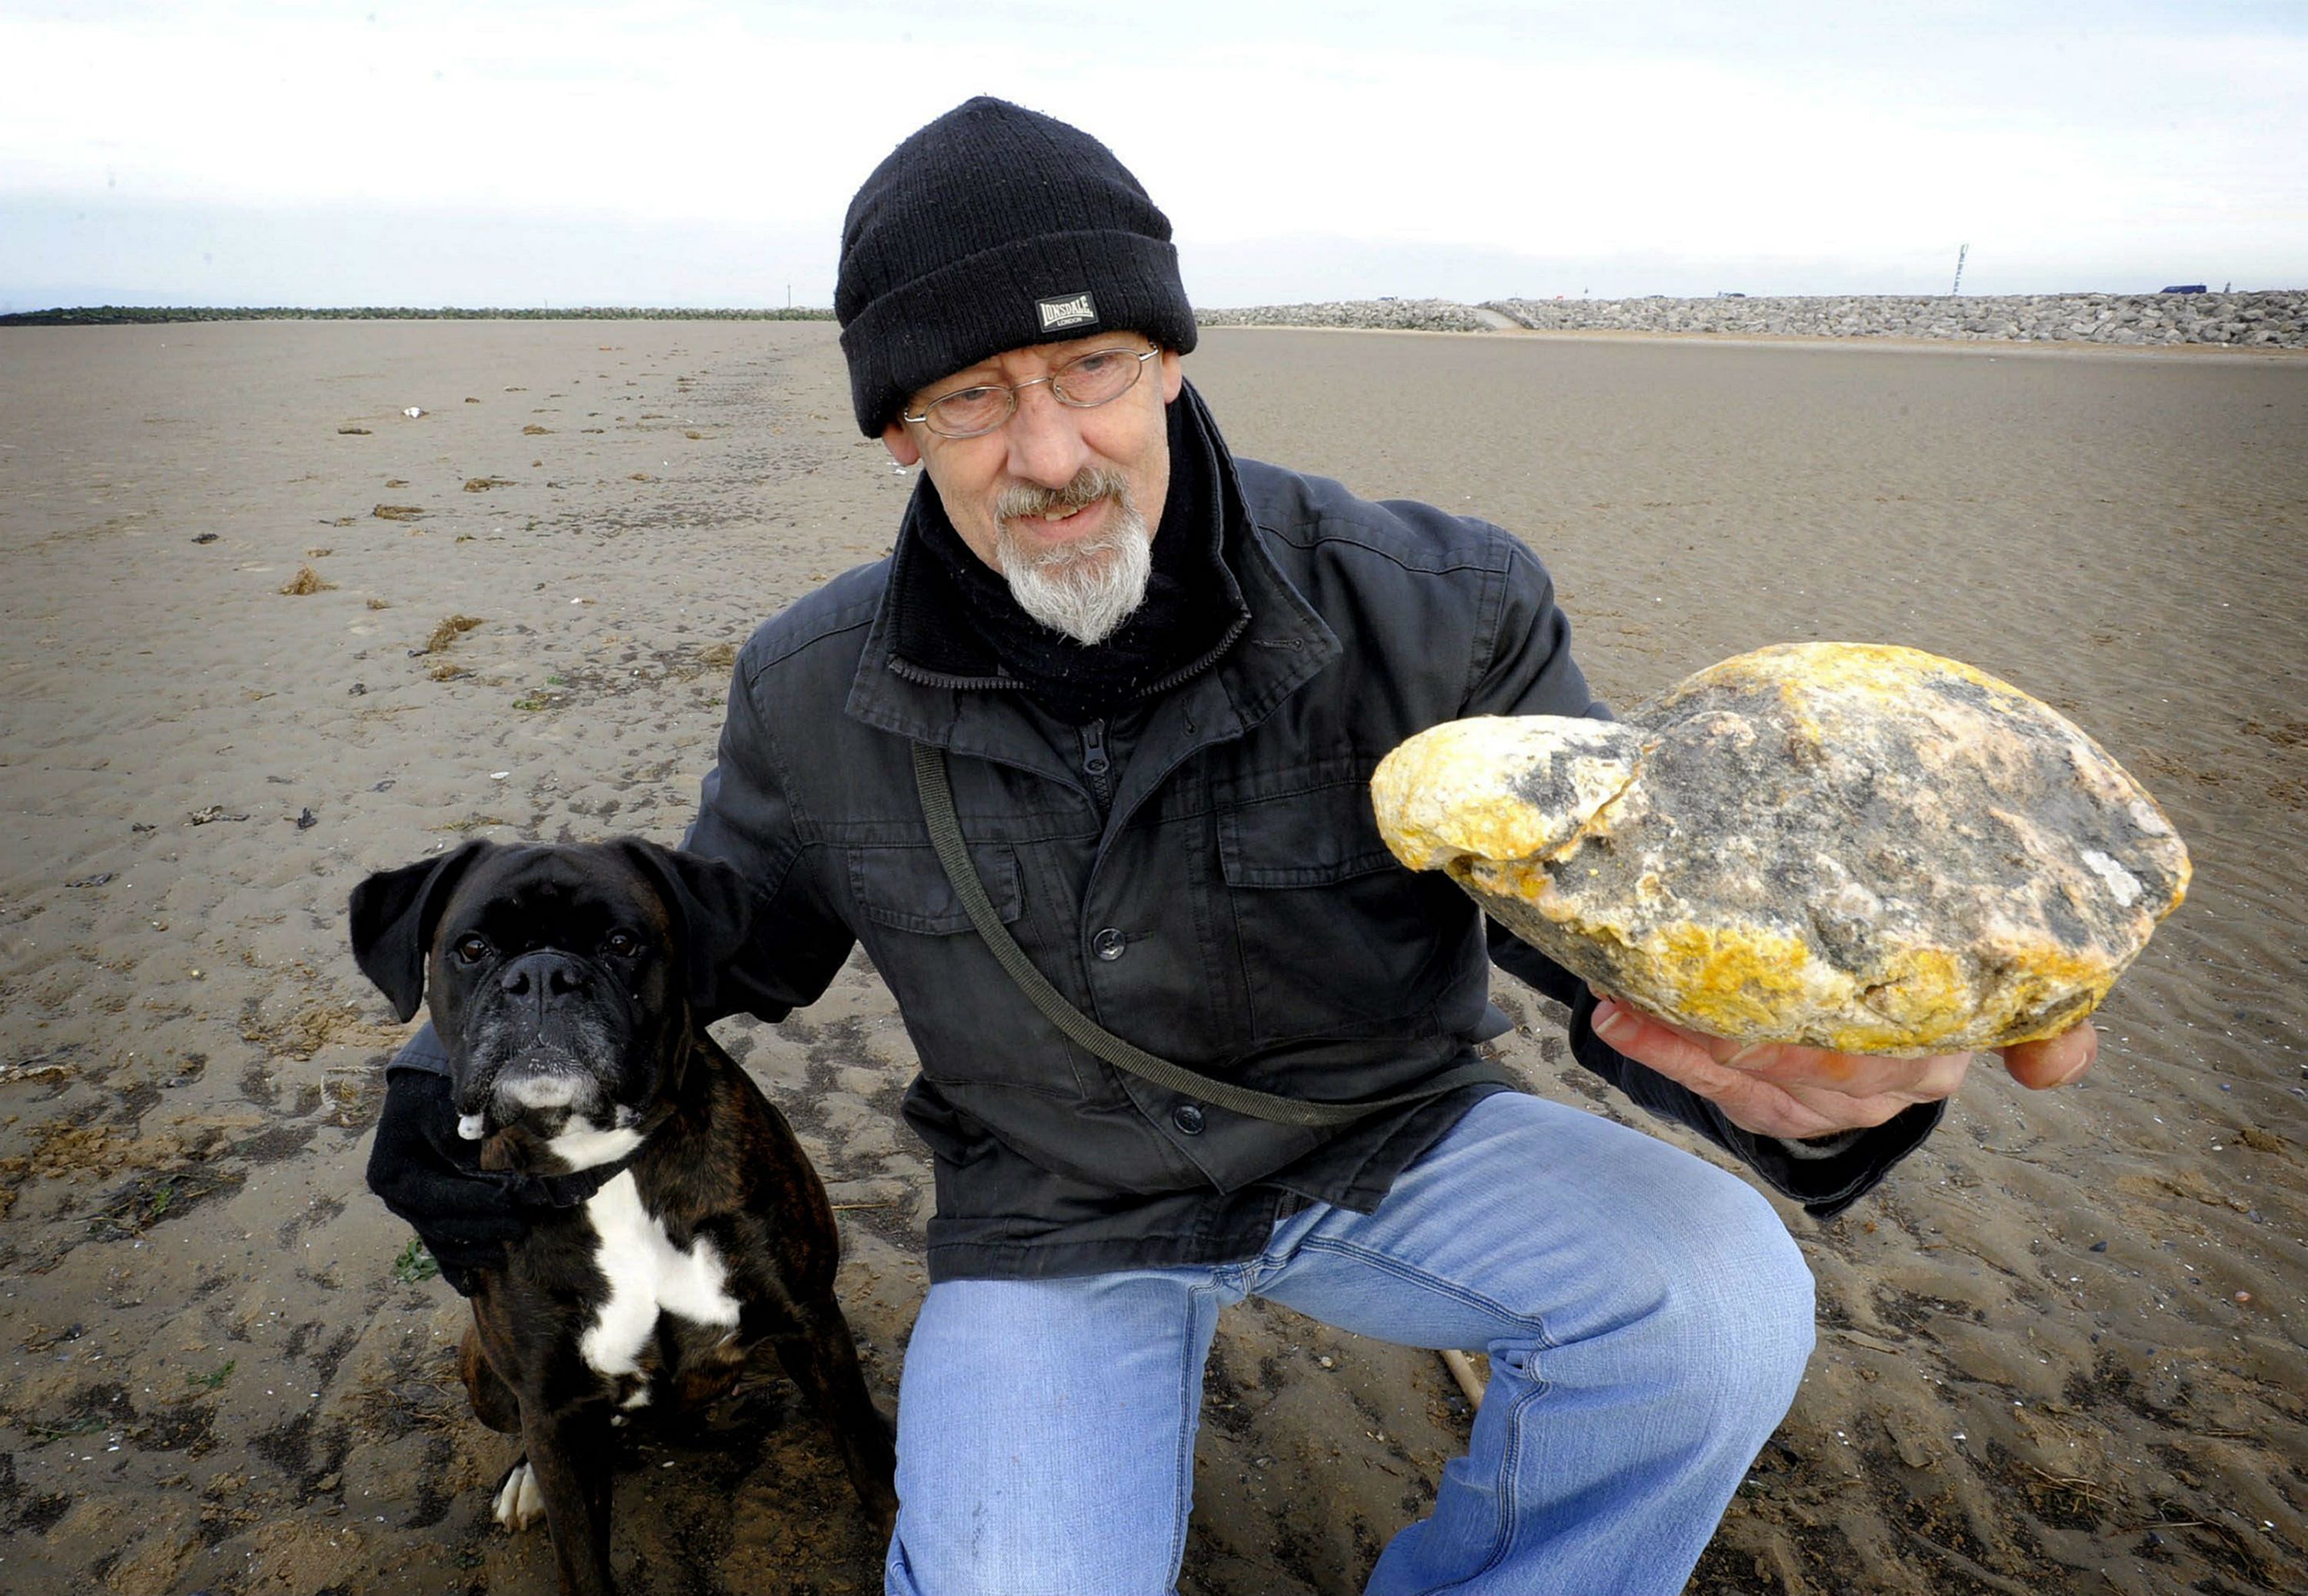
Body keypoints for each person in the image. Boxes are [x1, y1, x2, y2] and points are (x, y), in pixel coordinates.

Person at [368, 96, 2096, 1596]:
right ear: (896, 427)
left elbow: (1610, 945)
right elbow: (709, 947)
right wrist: (456, 1067)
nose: (1051, 453)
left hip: (1393, 1142)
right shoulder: (808, 688)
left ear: (1173, 355)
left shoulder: (1441, 602)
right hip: (1055, 1210)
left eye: (1092, 367)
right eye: (971, 397)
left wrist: (1801, 1073)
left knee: (1718, 1301)